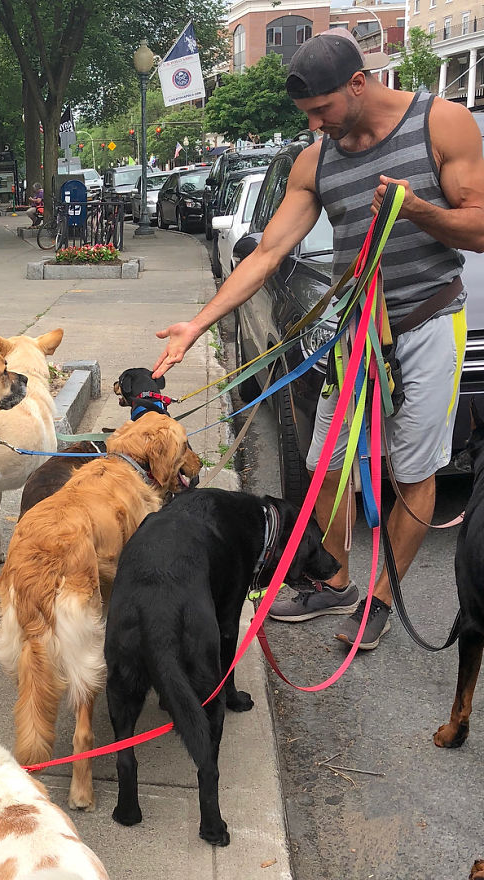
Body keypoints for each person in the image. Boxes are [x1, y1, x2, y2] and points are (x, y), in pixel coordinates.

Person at [152, 29, 484, 651]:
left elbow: (479, 228)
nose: (315, 124)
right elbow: (269, 253)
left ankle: (380, 598)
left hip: (428, 320)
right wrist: (198, 324)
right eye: (307, 114)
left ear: (358, 84)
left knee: (413, 470)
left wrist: (418, 210)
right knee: (326, 463)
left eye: (321, 109)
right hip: (356, 331)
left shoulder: (442, 124)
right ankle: (335, 582)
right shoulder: (316, 161)